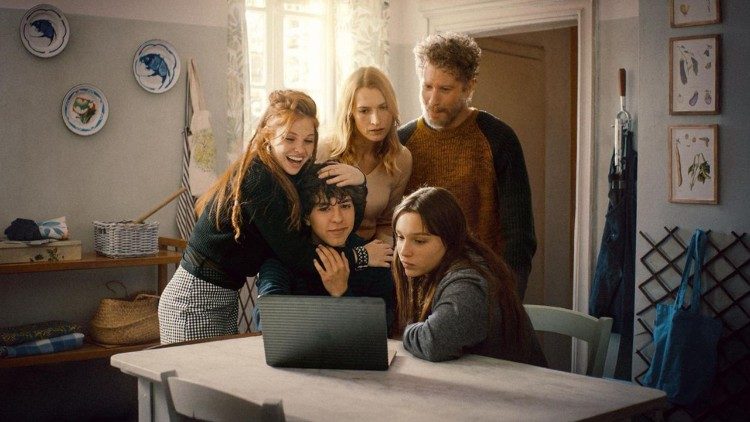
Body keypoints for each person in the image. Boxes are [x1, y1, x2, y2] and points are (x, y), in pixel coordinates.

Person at [158, 90, 371, 344]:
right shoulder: (258, 177)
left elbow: (344, 218)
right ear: (268, 136)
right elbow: (296, 255)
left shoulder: (289, 172)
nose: (300, 149)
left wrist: (360, 180)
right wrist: (361, 256)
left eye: (308, 141)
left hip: (224, 295)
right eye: (289, 138)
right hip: (194, 299)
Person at [398, 32, 536, 299]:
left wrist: (508, 297)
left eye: (445, 89)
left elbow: (519, 235)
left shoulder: (498, 138)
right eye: (427, 86)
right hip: (416, 292)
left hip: (483, 287)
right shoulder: (402, 142)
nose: (432, 100)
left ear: (468, 87)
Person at [392, 186, 546, 366]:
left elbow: (434, 342)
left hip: (515, 382)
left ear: (450, 238)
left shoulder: (468, 283)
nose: (404, 251)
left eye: (419, 241)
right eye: (400, 237)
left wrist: (405, 332)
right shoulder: (425, 265)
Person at [253, 162, 395, 330]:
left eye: (345, 206)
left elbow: (382, 328)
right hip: (300, 348)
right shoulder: (285, 256)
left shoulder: (376, 256)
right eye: (324, 208)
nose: (338, 218)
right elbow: (268, 319)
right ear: (306, 217)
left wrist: (341, 293)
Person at [319, 66, 412, 260]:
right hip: (326, 254)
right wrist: (358, 257)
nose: (376, 120)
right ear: (350, 113)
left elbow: (387, 223)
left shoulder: (401, 158)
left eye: (383, 108)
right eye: (364, 111)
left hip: (374, 252)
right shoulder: (325, 151)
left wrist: (379, 260)